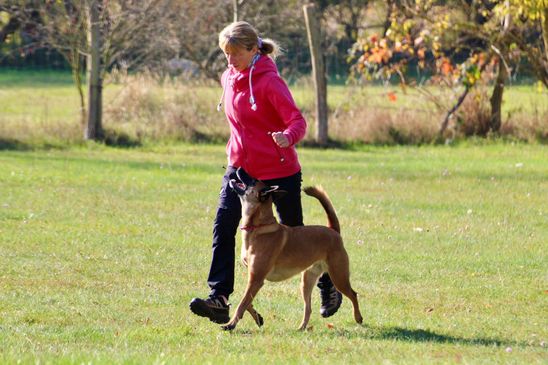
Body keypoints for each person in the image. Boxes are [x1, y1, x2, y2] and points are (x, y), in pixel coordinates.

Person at [189, 21, 342, 324]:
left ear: (253, 49)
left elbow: (297, 121)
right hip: (241, 169)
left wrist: (288, 136)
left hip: (278, 170)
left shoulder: (270, 82)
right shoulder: (228, 77)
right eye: (226, 54)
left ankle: (329, 284)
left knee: (296, 231)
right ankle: (219, 297)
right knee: (224, 223)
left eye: (235, 54)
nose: (229, 61)